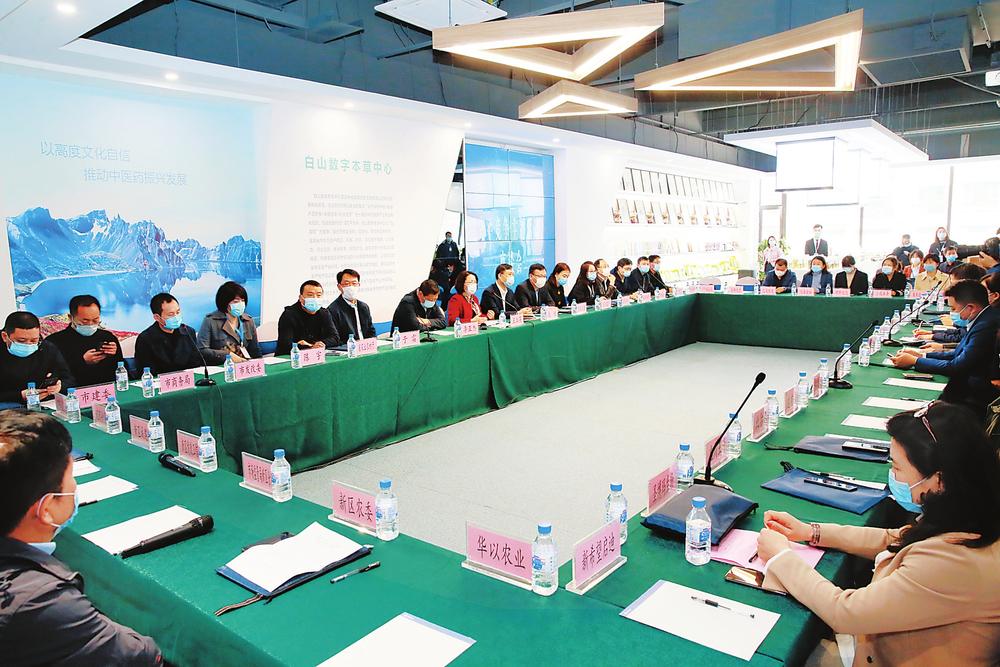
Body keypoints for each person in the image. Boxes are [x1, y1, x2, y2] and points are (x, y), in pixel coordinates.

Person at [755, 401, 1000, 667]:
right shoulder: (969, 515)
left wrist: (780, 557)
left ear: (938, 481)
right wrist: (811, 532)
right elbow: (896, 538)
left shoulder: (955, 562)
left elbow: (845, 612)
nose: (892, 476)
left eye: (897, 468)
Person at [0, 411, 162, 665]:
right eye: (71, 478)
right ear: (46, 509)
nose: (75, 487)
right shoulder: (41, 601)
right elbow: (142, 656)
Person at [891, 280, 999, 413]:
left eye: (953, 309)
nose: (951, 313)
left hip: (975, 395)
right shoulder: (984, 318)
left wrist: (915, 361)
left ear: (970, 308)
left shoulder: (986, 326)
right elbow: (958, 353)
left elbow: (957, 366)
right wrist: (923, 355)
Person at [0, 312, 74, 408]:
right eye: (21, 341)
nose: (28, 345)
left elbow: (69, 379)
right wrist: (19, 395)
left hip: (42, 403)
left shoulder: (47, 348)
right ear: (5, 336)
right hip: (7, 404)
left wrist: (59, 386)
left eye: (34, 340)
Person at [46, 295, 123, 387]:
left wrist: (114, 355)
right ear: (71, 317)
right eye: (85, 321)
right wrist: (82, 361)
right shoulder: (54, 342)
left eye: (95, 320)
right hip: (72, 392)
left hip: (107, 390)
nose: (90, 324)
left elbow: (121, 370)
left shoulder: (108, 337)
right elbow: (51, 375)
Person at [133, 293, 203, 375]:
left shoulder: (188, 332)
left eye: (178, 312)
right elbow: (145, 372)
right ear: (157, 317)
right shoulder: (145, 339)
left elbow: (195, 364)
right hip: (160, 381)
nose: (176, 317)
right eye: (171, 314)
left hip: (186, 379)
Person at [197, 281, 261, 364]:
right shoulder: (210, 321)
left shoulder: (248, 321)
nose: (241, 304)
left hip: (244, 366)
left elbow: (255, 351)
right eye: (236, 302)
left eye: (242, 300)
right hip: (221, 367)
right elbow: (202, 350)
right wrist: (226, 355)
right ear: (225, 302)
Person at [276, 281, 342, 356]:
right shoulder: (289, 314)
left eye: (318, 295)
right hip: (290, 357)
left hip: (315, 356)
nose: (315, 298)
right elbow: (285, 345)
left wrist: (321, 344)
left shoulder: (324, 313)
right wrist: (310, 346)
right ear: (301, 298)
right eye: (310, 295)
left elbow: (335, 338)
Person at [328, 269, 376, 341]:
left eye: (354, 283)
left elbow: (371, 331)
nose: (351, 287)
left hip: (367, 346)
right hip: (348, 346)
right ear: (339, 287)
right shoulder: (332, 310)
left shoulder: (363, 306)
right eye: (347, 284)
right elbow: (335, 339)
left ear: (358, 285)